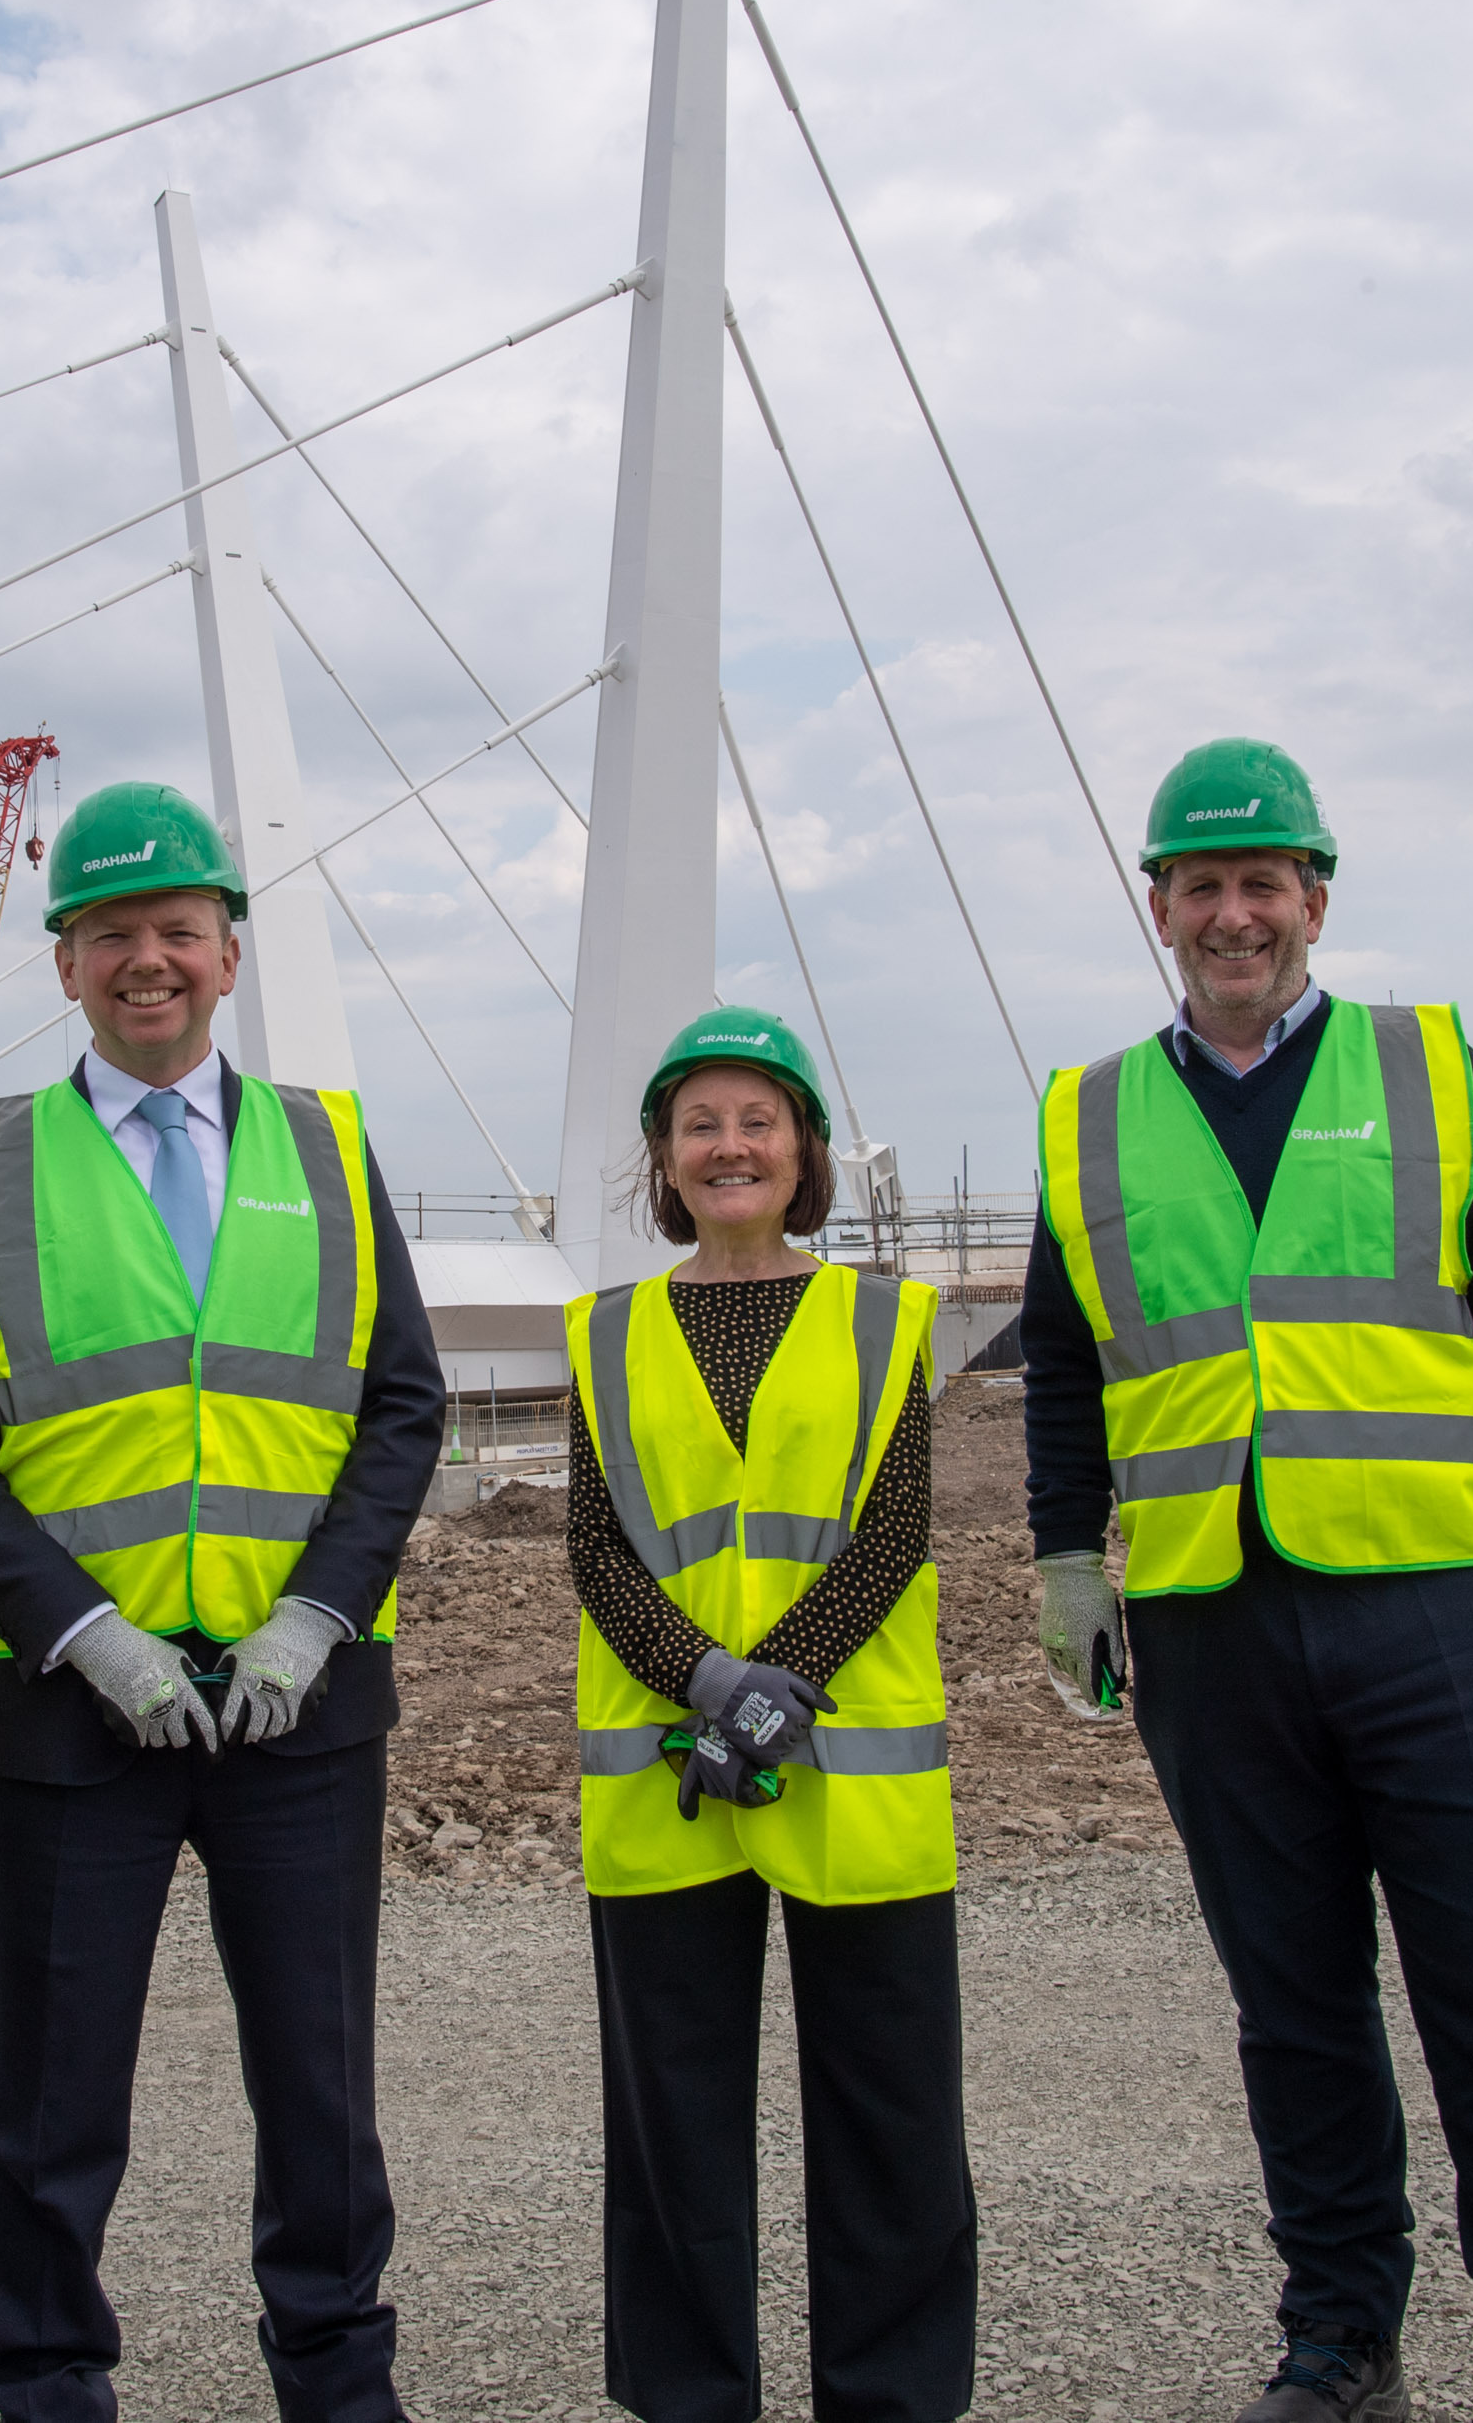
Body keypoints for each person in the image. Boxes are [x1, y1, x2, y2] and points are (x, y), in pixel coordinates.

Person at [1017, 742, 1473, 2423]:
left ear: (1316, 898)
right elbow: (1067, 1369)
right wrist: (1068, 1559)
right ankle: (1341, 2338)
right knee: (1295, 2014)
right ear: (1159, 906)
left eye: (1264, 883)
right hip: (1212, 1619)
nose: (1236, 914)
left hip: (1430, 1608)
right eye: (1203, 886)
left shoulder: (1426, 1067)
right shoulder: (1089, 1116)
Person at [0, 781, 445, 2423]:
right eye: (112, 936)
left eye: (179, 933)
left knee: (321, 2087)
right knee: (53, 2103)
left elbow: (400, 1407)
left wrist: (318, 1615)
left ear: (230, 953)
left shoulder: (328, 1147)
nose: (150, 963)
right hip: (74, 1717)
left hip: (303, 1712)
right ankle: (49, 2384)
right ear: (64, 966)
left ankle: (339, 2382)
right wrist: (88, 1633)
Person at [563, 1008, 973, 2423]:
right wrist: (708, 1686)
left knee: (892, 2121)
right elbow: (595, 1549)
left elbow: (894, 1525)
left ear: (804, 1153)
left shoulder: (883, 1315)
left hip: (850, 1769)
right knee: (674, 2128)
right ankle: (690, 2403)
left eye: (757, 1122)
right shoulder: (607, 1334)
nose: (729, 1148)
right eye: (700, 1127)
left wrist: (772, 1688)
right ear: (662, 1165)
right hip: (666, 1770)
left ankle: (894, 2400)